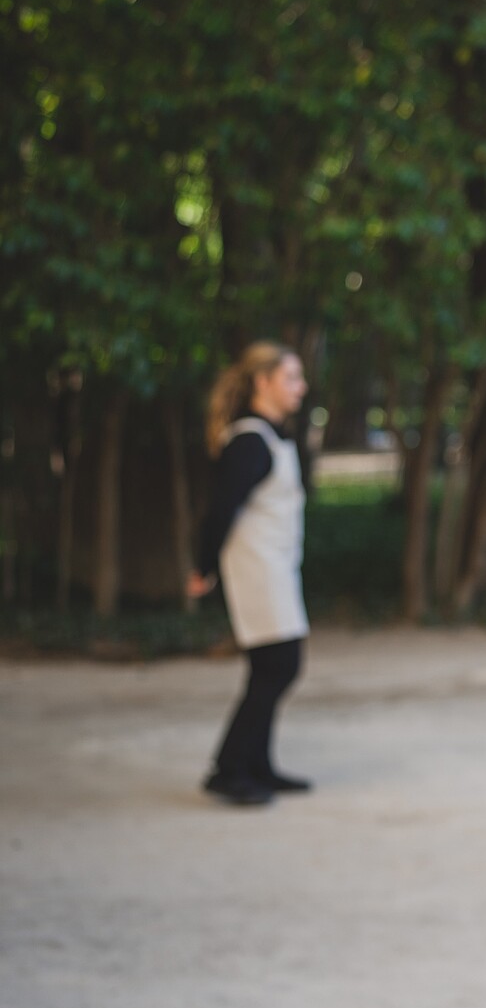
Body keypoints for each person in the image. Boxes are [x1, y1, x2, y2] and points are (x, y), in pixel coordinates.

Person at [187, 342, 313, 808]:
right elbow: (219, 510)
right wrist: (204, 567)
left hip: (277, 568)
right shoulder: (249, 441)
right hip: (258, 571)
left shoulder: (270, 438)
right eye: (291, 378)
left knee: (272, 668)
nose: (300, 387)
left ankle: (256, 765)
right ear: (263, 383)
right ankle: (229, 769)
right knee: (280, 665)